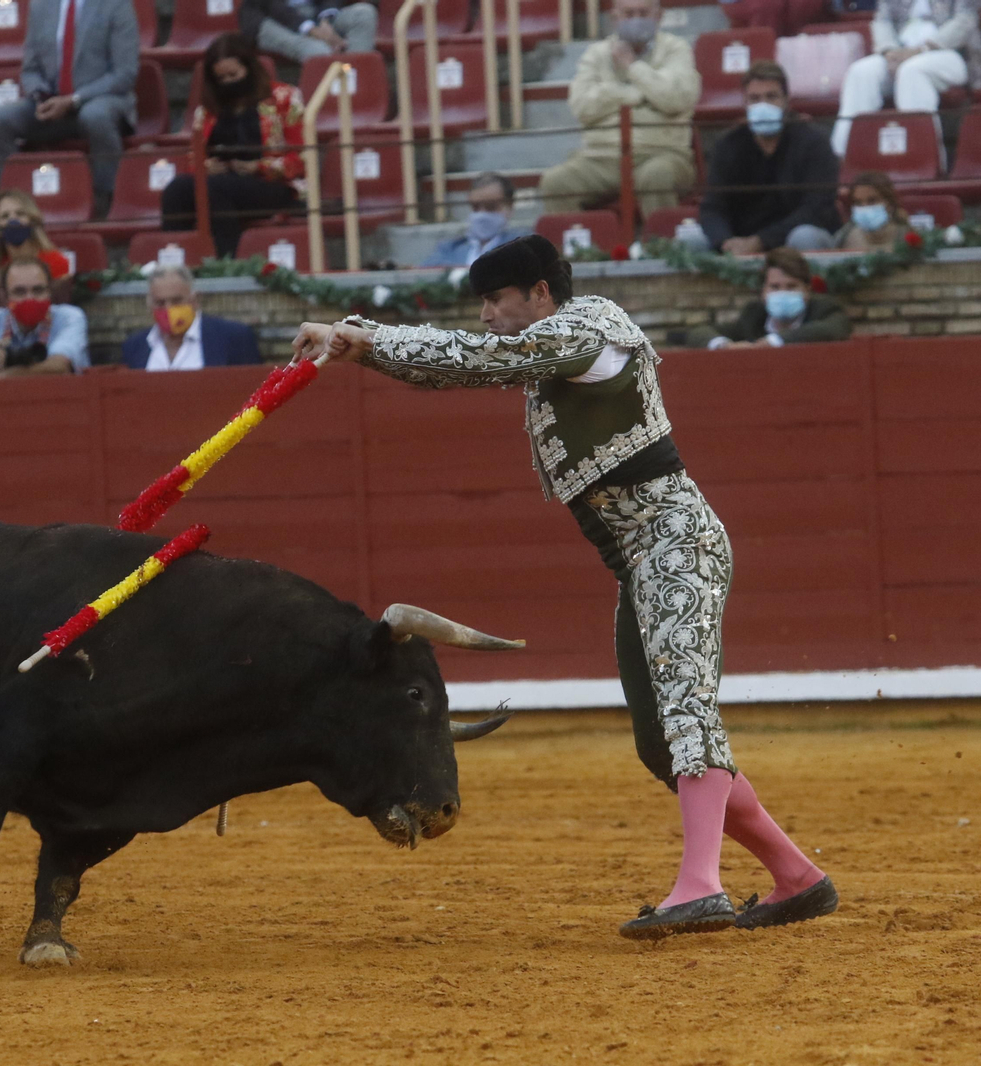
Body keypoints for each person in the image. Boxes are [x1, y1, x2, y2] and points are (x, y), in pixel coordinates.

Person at [292, 235, 837, 939]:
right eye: (483, 302)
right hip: (639, 564)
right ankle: (796, 876)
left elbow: (476, 360)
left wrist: (363, 338)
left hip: (677, 543)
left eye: (498, 299)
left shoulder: (591, 329)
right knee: (658, 740)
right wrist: (357, 339)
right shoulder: (547, 350)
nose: (487, 314)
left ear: (541, 294)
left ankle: (701, 885)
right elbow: (470, 358)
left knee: (684, 714)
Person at [538, 0, 700, 215]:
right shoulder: (595, 54)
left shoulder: (676, 49)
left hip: (662, 153)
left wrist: (632, 66)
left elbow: (677, 99)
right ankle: (575, 249)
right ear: (615, 18)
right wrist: (636, 94)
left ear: (659, 16)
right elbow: (582, 107)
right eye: (629, 14)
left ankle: (662, 247)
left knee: (656, 176)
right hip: (601, 157)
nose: (636, 20)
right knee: (555, 183)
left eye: (643, 13)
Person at [0, 0, 139, 217]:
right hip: (53, 104)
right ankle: (12, 206)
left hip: (102, 100)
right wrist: (40, 96)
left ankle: (107, 201)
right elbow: (30, 70)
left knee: (95, 116)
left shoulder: (116, 5)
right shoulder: (40, 5)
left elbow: (124, 74)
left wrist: (74, 99)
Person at [161, 33, 304, 259]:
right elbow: (193, 160)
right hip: (222, 180)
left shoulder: (285, 97)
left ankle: (224, 263)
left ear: (249, 68)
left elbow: (302, 159)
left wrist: (259, 167)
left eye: (233, 75)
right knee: (176, 189)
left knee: (214, 189)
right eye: (222, 78)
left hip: (271, 184)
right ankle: (175, 263)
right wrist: (206, 167)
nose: (228, 82)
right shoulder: (208, 110)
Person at [699, 61, 840, 254]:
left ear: (786, 100)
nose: (762, 105)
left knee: (804, 236)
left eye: (771, 97)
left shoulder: (814, 142)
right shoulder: (728, 145)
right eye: (754, 99)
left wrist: (761, 241)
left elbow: (817, 208)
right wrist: (725, 242)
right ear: (745, 102)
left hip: (793, 240)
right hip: (740, 241)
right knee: (691, 239)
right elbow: (713, 207)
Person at [831, 0, 981, 158]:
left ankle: (922, 158)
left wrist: (922, 49)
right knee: (861, 72)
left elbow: (965, 21)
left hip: (951, 53)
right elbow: (882, 21)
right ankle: (843, 157)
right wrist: (889, 51)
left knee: (912, 71)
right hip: (900, 50)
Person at [120, 265, 263, 370]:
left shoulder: (233, 338)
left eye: (176, 301)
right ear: (150, 304)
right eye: (160, 303)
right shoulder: (134, 346)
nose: (168, 309)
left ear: (194, 300)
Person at [708, 248, 852, 347]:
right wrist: (723, 345)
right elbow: (699, 332)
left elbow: (832, 329)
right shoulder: (753, 316)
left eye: (791, 287)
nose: (783, 293)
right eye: (775, 287)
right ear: (763, 291)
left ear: (807, 290)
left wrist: (775, 341)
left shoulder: (825, 309)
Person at [420, 173, 530, 268]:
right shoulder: (449, 248)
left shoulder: (522, 246)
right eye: (475, 207)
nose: (482, 214)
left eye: (490, 207)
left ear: (509, 207)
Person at [0, 189, 72, 287]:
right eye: (5, 216)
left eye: (20, 214)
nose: (13, 220)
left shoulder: (55, 262)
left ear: (32, 221)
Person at [239, 0, 377, 61]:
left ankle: (355, 78)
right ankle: (330, 103)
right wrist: (311, 29)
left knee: (364, 14)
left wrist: (325, 21)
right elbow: (273, 6)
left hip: (314, 12)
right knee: (319, 51)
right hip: (269, 19)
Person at [833, 171, 910, 250]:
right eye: (858, 203)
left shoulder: (906, 236)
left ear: (889, 203)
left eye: (872, 201)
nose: (865, 207)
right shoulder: (845, 236)